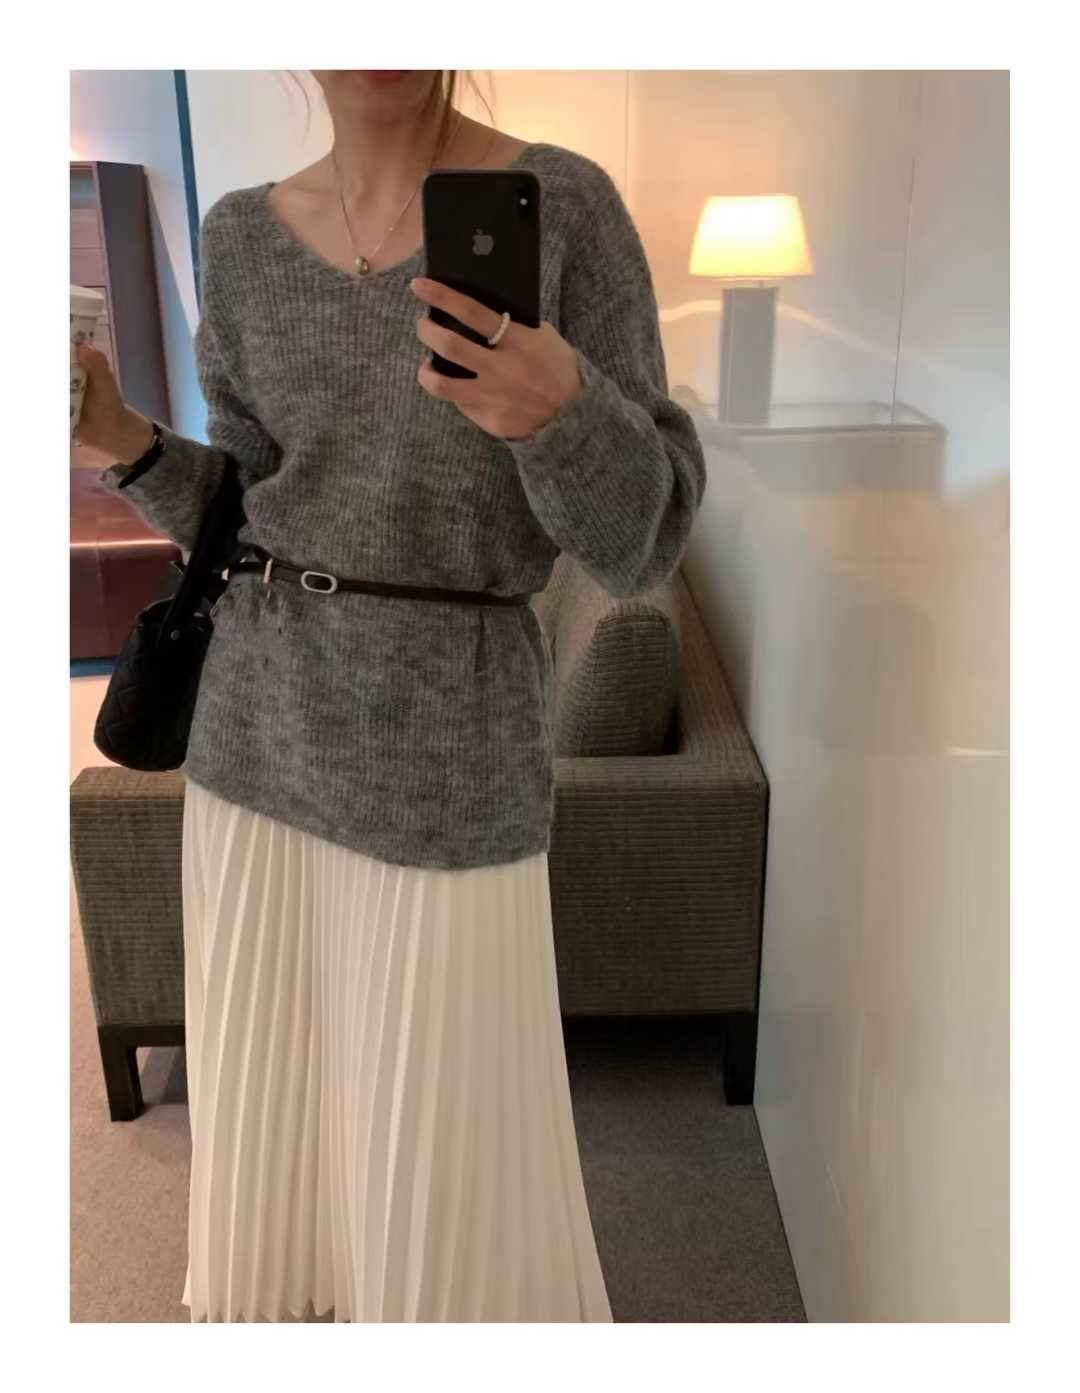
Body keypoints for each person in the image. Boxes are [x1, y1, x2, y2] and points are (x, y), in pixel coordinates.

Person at [75, 69, 707, 1323]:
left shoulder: (564, 207)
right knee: (281, 1102)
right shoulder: (239, 237)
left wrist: (561, 410)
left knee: (446, 1149)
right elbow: (246, 512)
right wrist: (126, 441)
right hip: (257, 739)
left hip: (449, 758)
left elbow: (647, 539)